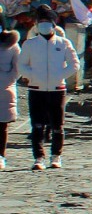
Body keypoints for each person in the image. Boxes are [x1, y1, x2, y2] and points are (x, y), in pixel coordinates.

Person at [20, 21, 79, 171]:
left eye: (47, 22)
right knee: (37, 125)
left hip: (57, 89)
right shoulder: (30, 44)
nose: (44, 25)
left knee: (57, 125)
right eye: (41, 22)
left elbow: (74, 64)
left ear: (53, 25)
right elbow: (21, 65)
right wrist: (32, 76)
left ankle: (56, 155)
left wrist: (60, 75)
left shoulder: (63, 43)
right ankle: (38, 157)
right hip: (36, 89)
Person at [0, 29, 18, 170]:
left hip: (3, 89)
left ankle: (1, 156)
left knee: (2, 126)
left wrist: (6, 80)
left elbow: (18, 68)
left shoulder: (12, 45)